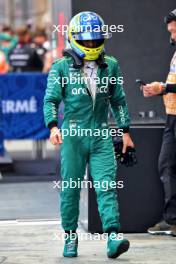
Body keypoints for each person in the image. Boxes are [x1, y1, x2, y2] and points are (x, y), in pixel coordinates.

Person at [44, 11, 134, 258]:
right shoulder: (61, 67)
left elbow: (119, 101)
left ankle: (113, 237)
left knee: (106, 186)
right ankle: (70, 238)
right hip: (72, 135)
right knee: (71, 188)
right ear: (74, 38)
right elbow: (50, 100)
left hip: (101, 134)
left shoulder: (111, 65)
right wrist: (53, 126)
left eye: (96, 40)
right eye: (87, 40)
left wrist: (125, 131)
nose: (93, 44)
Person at [142, 9, 176, 236]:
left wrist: (163, 88)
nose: (172, 35)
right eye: (170, 31)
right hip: (172, 117)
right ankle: (173, 219)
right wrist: (158, 90)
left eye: (174, 30)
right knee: (166, 166)